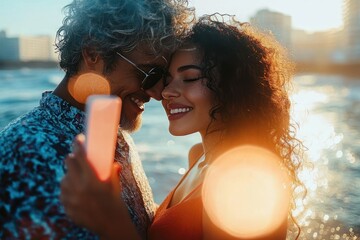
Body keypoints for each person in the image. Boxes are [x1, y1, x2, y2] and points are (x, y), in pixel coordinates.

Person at [60, 15, 304, 239]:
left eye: (189, 78)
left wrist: (112, 220)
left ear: (233, 88)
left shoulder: (248, 182)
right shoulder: (198, 156)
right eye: (167, 80)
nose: (166, 92)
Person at [0, 0, 192, 239]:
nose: (156, 92)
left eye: (162, 77)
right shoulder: (26, 152)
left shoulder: (113, 135)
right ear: (93, 53)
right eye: (149, 74)